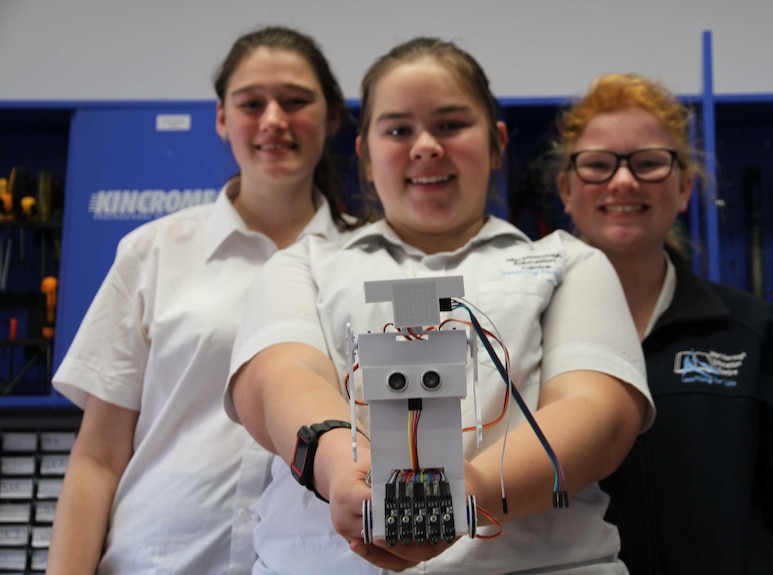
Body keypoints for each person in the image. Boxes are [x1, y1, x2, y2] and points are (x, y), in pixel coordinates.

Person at [227, 37, 655, 575]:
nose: (426, 146)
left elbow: (599, 415)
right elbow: (276, 381)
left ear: (498, 143)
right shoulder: (302, 265)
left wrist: (473, 492)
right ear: (363, 154)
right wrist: (339, 465)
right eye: (398, 129)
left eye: (451, 125)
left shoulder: (571, 264)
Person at [46, 26, 359, 574]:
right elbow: (97, 458)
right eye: (251, 103)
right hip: (157, 561)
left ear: (332, 117)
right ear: (221, 119)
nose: (273, 120)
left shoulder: (370, 261)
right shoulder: (155, 251)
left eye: (295, 101)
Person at [555, 72, 773, 574]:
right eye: (598, 165)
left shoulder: (755, 336)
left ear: (684, 189)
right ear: (567, 190)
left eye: (650, 163)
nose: (625, 181)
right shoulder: (524, 335)